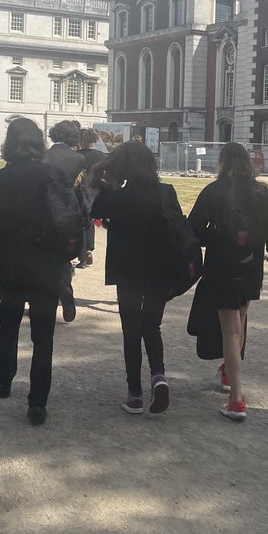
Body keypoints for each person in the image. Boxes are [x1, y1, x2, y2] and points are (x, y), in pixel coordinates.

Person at [187, 141, 268, 422]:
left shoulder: (214, 191)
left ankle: (236, 399)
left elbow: (194, 226)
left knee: (231, 330)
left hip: (222, 265)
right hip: (250, 266)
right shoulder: (260, 192)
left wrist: (215, 240)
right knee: (240, 322)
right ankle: (227, 372)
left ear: (222, 162)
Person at [0, 118, 75, 425]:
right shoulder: (55, 174)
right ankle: (37, 401)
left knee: (8, 325)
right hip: (46, 263)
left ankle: (5, 378)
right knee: (43, 336)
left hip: (11, 263)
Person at [89, 141, 178, 415]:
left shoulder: (118, 197)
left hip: (127, 270)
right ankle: (159, 376)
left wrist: (102, 177)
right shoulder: (166, 192)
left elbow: (94, 211)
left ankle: (135, 393)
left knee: (131, 330)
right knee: (152, 325)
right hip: (159, 269)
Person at [45, 121, 89, 321]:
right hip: (69, 208)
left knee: (44, 254)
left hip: (46, 208)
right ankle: (65, 287)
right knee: (63, 255)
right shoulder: (78, 158)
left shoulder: (43, 156)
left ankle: (47, 297)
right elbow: (80, 187)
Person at [75, 128, 105, 268]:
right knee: (91, 219)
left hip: (80, 189)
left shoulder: (75, 155)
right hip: (95, 190)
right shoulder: (100, 155)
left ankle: (82, 255)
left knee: (81, 221)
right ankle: (89, 249)